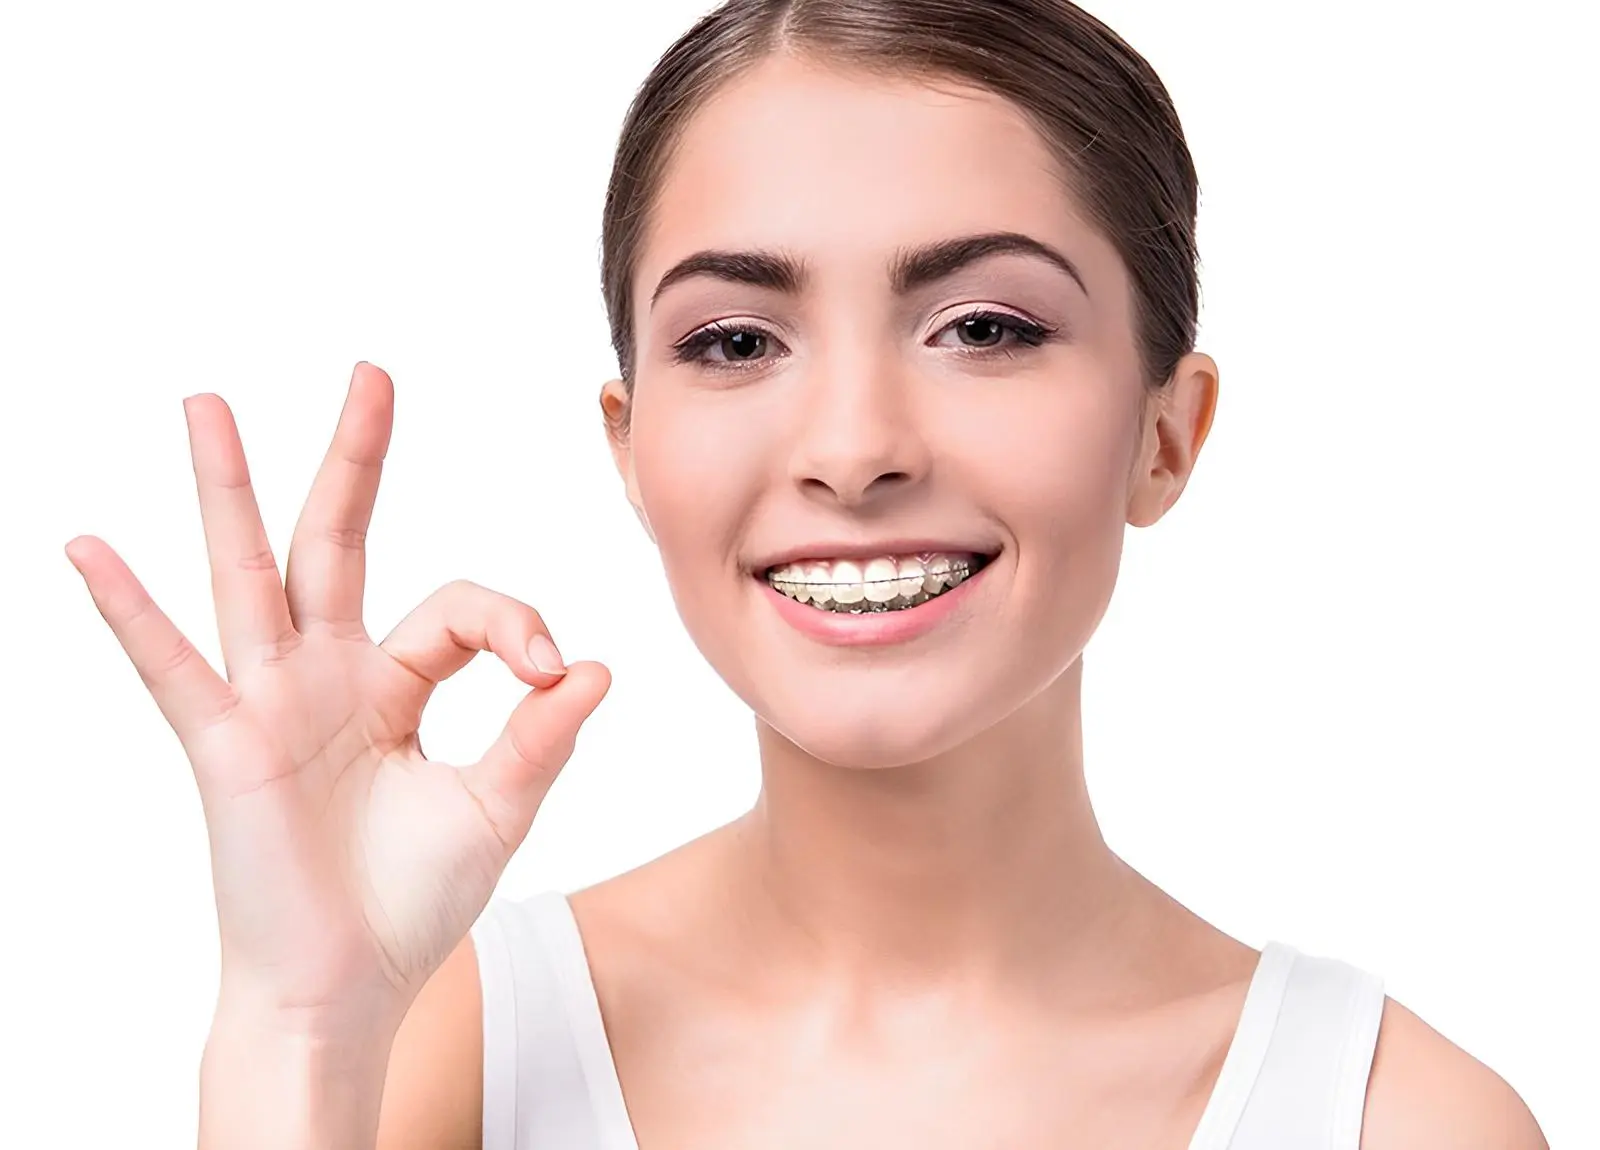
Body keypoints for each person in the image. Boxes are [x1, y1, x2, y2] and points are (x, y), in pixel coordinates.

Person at [64, 1, 1547, 1147]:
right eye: (735, 341)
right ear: (634, 449)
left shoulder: (1393, 1116)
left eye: (983, 326)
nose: (852, 448)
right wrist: (296, 1020)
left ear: (1167, 433)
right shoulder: (444, 1052)